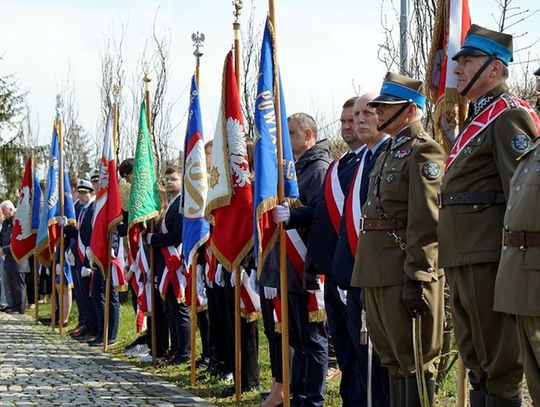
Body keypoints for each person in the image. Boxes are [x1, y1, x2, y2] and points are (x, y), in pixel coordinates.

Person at [439, 25, 539, 407]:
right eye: (459, 61)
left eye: (468, 61)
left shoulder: (508, 116)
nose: (459, 69)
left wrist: (513, 259)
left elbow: (523, 192)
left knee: (498, 364)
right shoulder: (478, 118)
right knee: (477, 360)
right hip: (465, 254)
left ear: (495, 69)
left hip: (489, 257)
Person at [351, 72, 445, 406]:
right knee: (392, 360)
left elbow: (426, 220)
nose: (376, 112)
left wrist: (418, 275)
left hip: (402, 270)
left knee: (414, 361)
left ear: (409, 109)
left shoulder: (424, 152)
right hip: (376, 270)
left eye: (384, 106)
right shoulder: (388, 152)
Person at [269, 112, 331, 407]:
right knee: (295, 338)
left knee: (312, 339)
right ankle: (297, 393)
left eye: (291, 133)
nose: (287, 139)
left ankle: (312, 399)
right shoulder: (294, 168)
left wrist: (292, 215)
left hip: (307, 264)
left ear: (308, 134)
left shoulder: (317, 168)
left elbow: (320, 213)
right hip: (290, 267)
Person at [146, 165, 191, 364]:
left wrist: (153, 239)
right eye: (167, 179)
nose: (169, 182)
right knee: (169, 309)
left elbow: (176, 236)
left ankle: (184, 353)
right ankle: (174, 350)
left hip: (175, 262)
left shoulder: (183, 203)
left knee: (179, 309)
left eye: (173, 178)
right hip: (164, 264)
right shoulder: (169, 204)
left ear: (182, 181)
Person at [0, 201, 25, 314]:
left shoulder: (18, 222)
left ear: (10, 209)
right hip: (8, 257)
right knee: (10, 282)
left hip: (18, 258)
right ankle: (14, 306)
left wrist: (4, 250)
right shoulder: (6, 222)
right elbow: (2, 237)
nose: (3, 214)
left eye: (4, 211)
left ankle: (20, 308)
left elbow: (18, 241)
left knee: (18, 284)